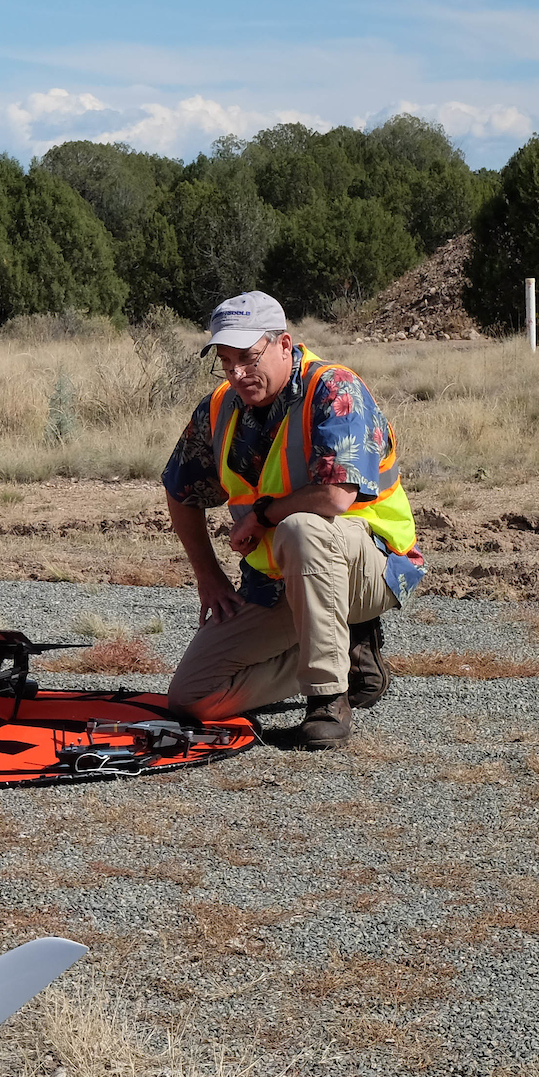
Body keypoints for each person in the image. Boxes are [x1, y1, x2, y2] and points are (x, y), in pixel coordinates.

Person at [162, 291, 425, 750]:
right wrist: (208, 577)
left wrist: (262, 515)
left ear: (285, 344)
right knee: (192, 699)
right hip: (278, 579)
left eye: (247, 357)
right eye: (225, 361)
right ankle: (342, 647)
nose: (237, 373)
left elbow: (335, 495)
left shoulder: (335, 388)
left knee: (301, 527)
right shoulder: (219, 407)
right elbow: (180, 489)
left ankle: (327, 699)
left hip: (370, 566)